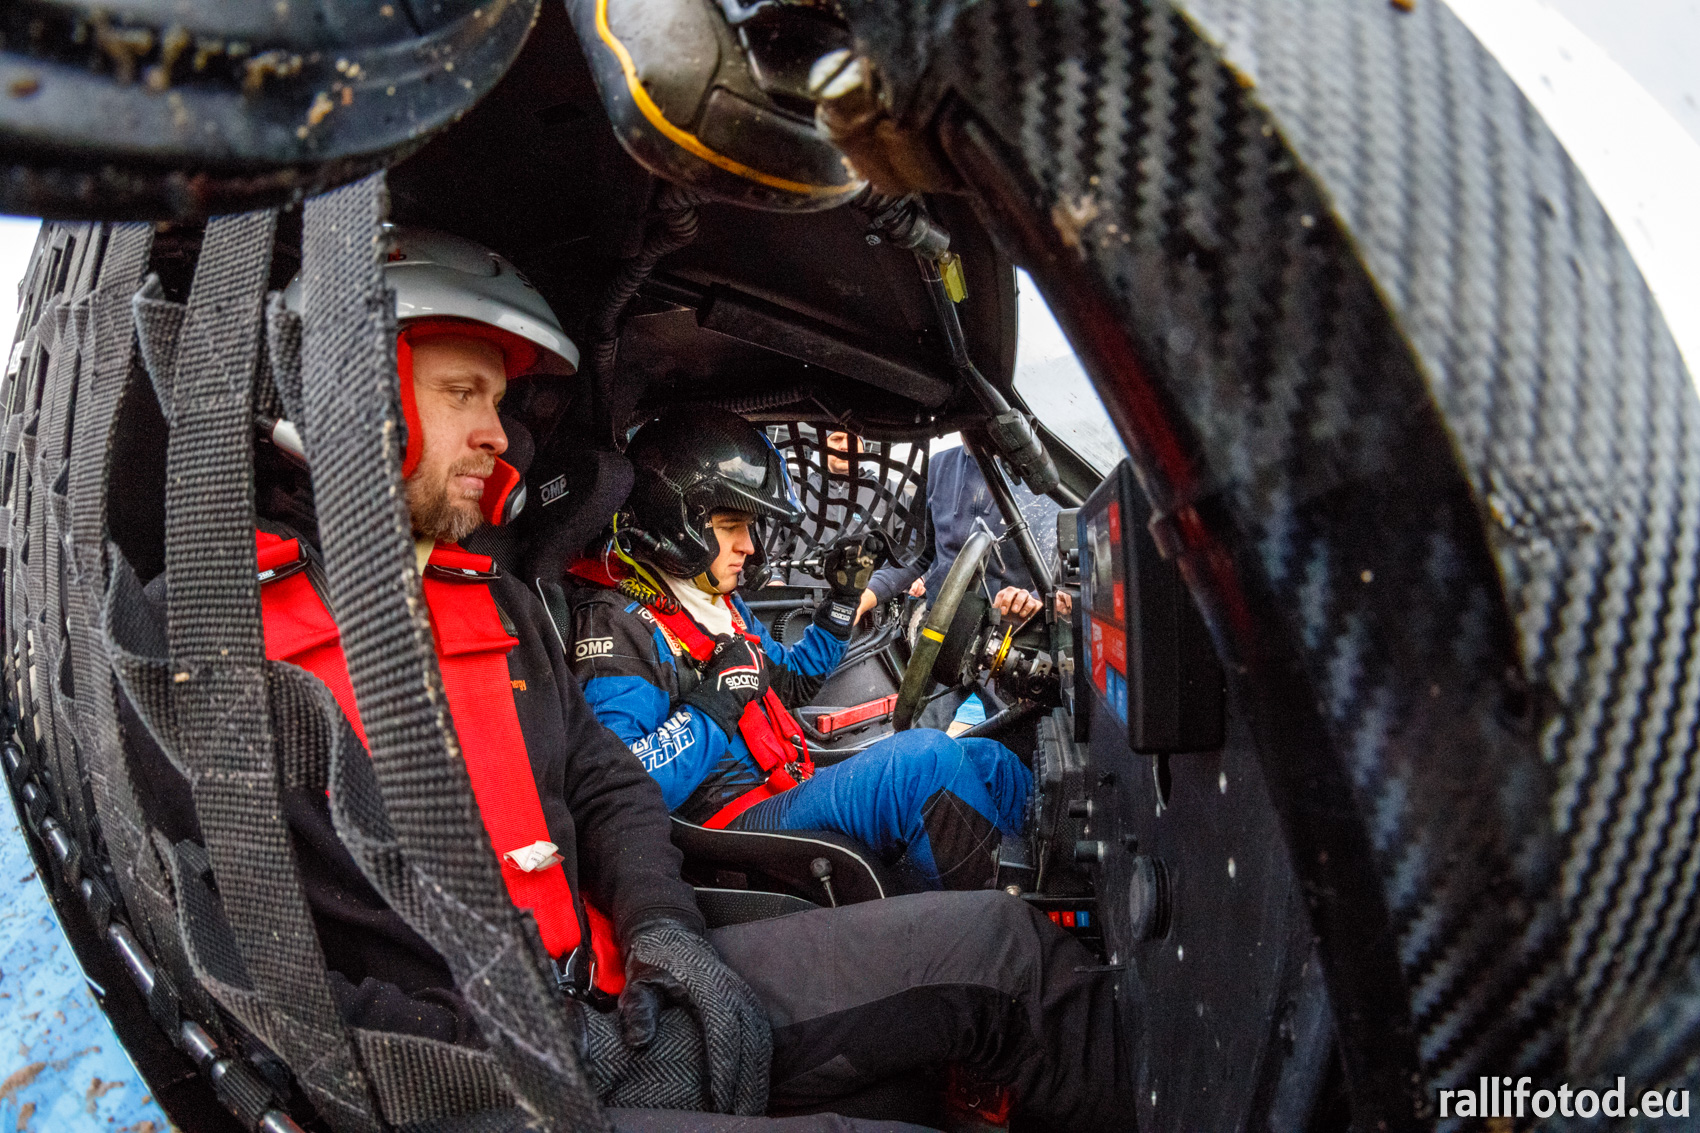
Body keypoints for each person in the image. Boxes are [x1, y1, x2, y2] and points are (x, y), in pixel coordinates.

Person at [120, 229, 1133, 1129]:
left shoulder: (496, 600)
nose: (497, 433)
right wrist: (519, 1063)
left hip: (627, 981)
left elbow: (607, 786)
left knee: (1007, 950)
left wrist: (665, 932)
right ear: (342, 392)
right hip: (489, 1084)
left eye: (499, 402)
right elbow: (250, 961)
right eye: (463, 394)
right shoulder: (206, 639)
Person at [566, 407, 1032, 891]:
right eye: (731, 526)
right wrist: (717, 702)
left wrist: (843, 602)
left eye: (749, 527)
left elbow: (792, 682)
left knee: (989, 760)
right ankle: (984, 918)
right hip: (727, 831)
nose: (748, 546)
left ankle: (1041, 899)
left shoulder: (713, 602)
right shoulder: (616, 623)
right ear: (676, 521)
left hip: (784, 785)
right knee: (926, 763)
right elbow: (622, 786)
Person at [860, 435, 1070, 732]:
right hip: (941, 634)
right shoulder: (938, 466)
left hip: (1011, 645)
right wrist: (863, 597)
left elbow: (1066, 567)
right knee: (915, 737)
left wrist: (1034, 600)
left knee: (1018, 743)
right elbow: (917, 554)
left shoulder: (1040, 471)